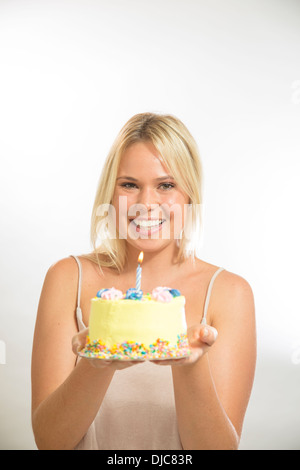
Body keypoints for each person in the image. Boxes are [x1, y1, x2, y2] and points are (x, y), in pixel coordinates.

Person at [31, 112, 256, 450]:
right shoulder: (66, 278)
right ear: (110, 192)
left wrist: (188, 365)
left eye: (166, 185)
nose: (146, 204)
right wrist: (97, 362)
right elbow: (50, 442)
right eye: (129, 184)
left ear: (189, 195)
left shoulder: (230, 294)